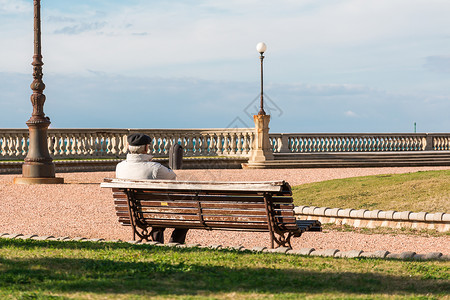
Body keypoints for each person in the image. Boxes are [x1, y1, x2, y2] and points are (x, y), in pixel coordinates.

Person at [116, 133, 188, 244]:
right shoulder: (155, 168)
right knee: (187, 215)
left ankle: (158, 241)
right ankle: (174, 243)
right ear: (146, 148)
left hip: (131, 213)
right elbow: (172, 178)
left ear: (128, 147)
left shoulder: (119, 167)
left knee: (157, 212)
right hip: (155, 212)